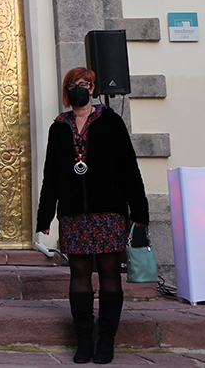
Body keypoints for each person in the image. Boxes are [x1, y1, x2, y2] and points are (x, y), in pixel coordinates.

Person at [36, 67, 149, 364]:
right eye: (73, 85)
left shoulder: (110, 121)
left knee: (111, 272)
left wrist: (139, 213)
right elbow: (52, 175)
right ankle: (84, 339)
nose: (79, 89)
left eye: (84, 84)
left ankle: (107, 339)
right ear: (67, 90)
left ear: (93, 88)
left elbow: (128, 168)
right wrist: (45, 217)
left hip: (108, 211)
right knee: (80, 274)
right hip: (74, 214)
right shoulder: (58, 127)